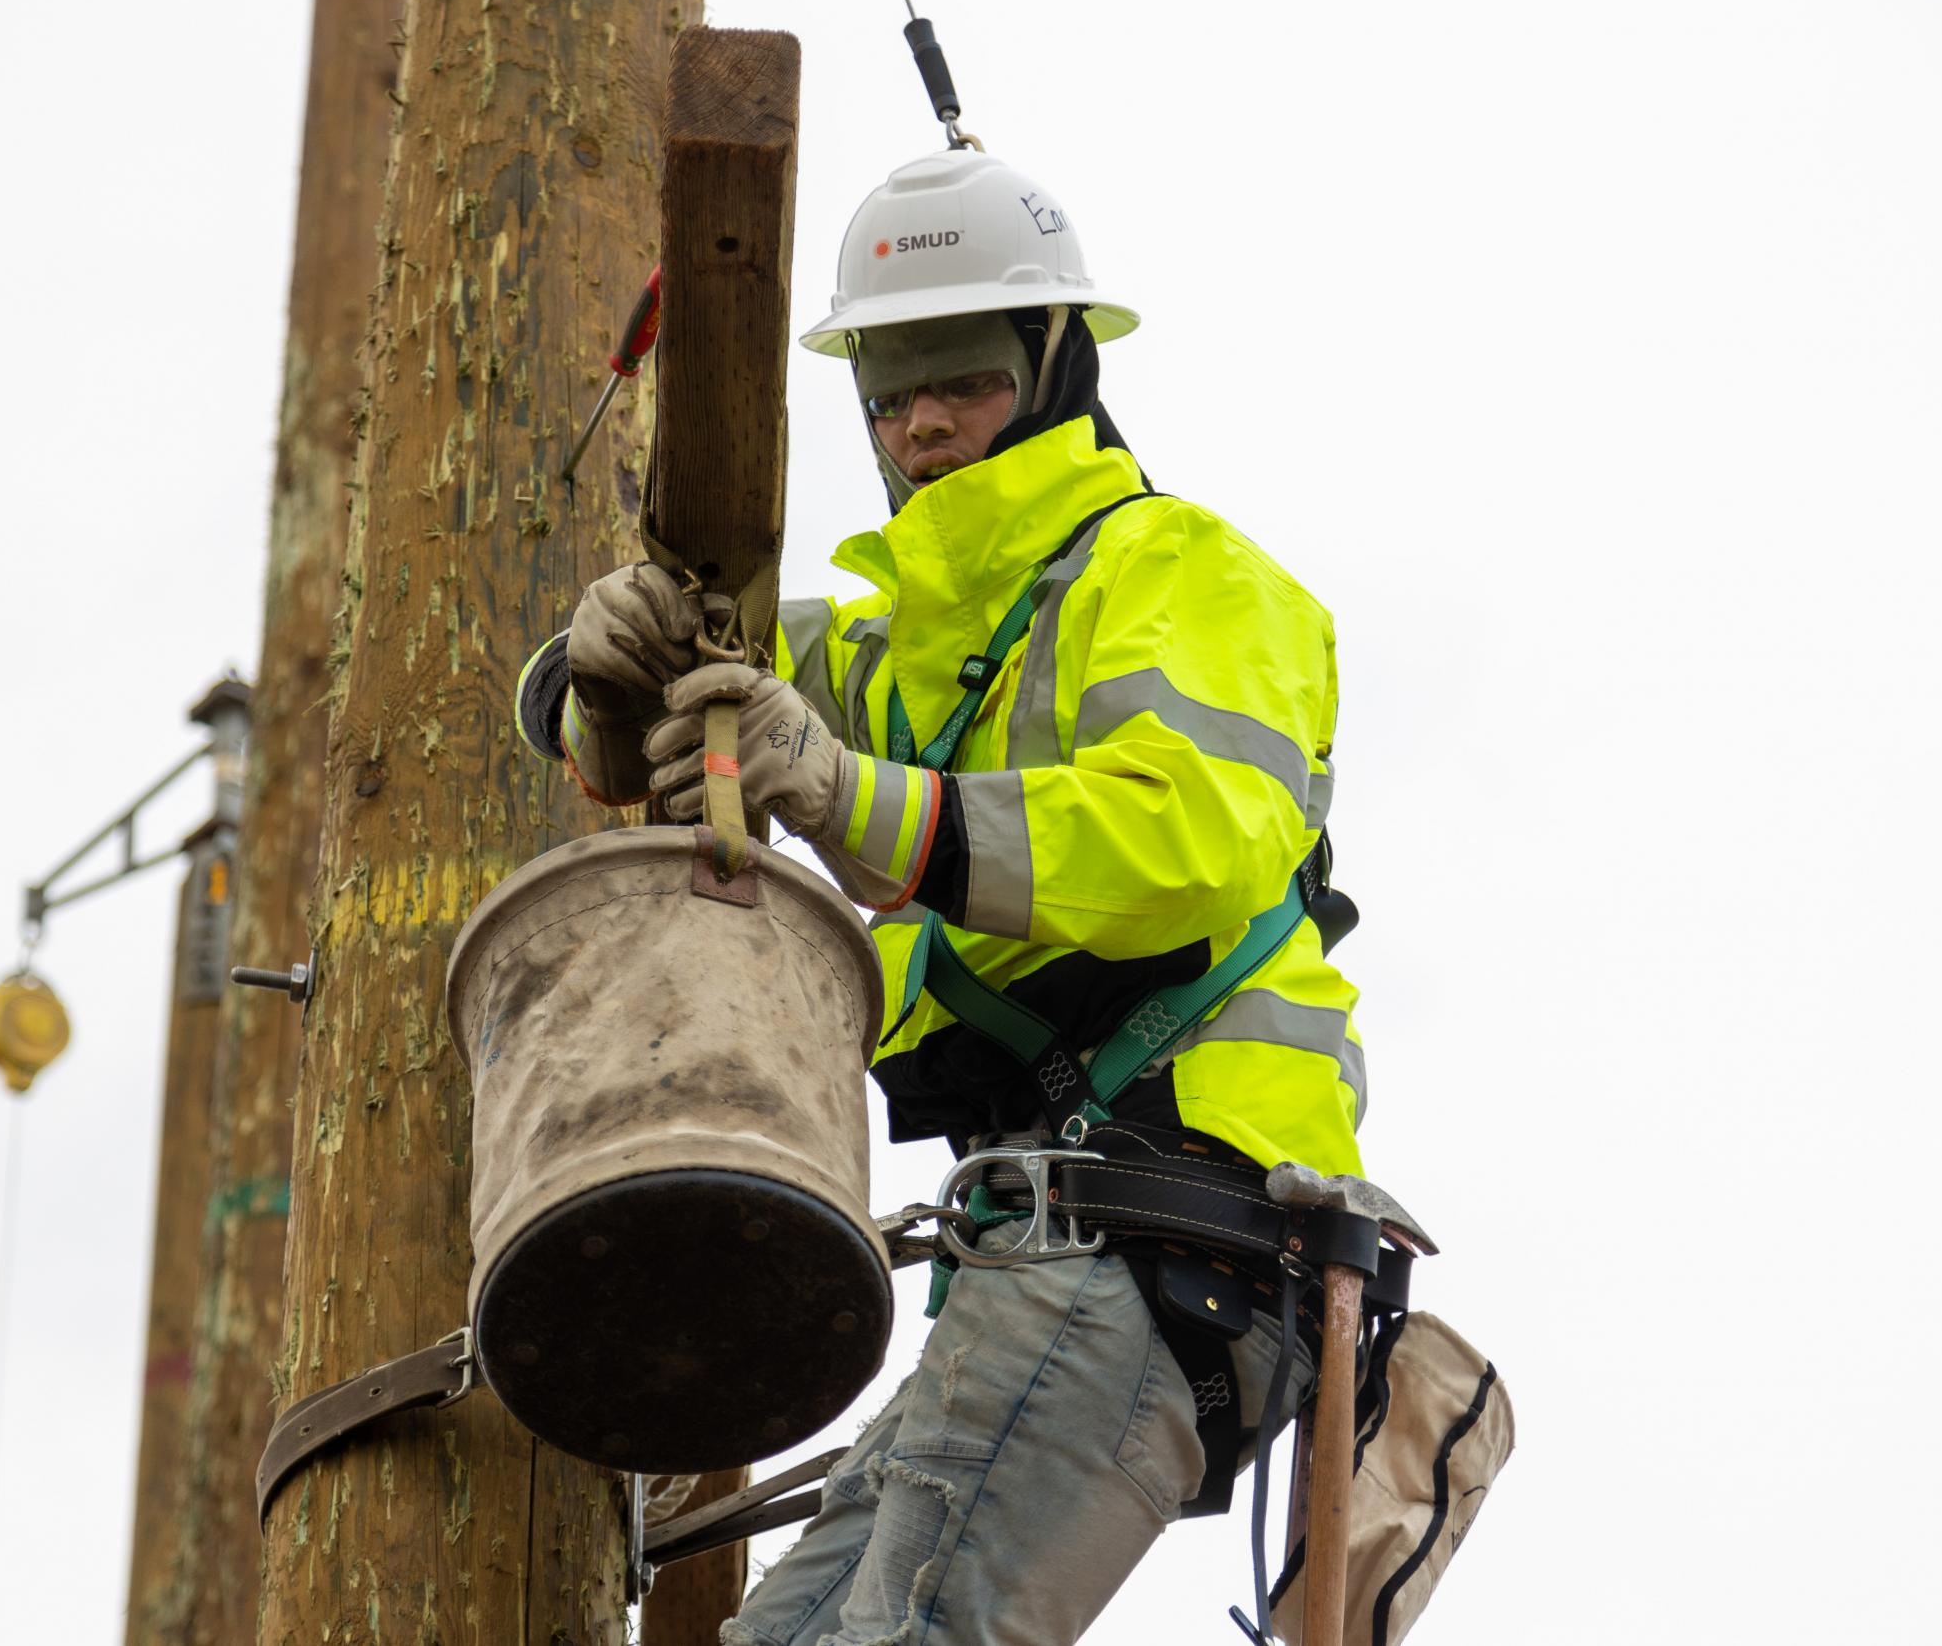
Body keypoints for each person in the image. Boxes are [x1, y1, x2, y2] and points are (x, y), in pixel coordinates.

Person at [516, 148, 1367, 1645]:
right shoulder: (897, 642)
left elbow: (1184, 845)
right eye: (889, 391)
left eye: (959, 379)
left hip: (1168, 1222)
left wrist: (847, 797)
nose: (918, 425)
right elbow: (668, 705)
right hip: (1030, 1260)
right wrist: (601, 677)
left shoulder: (1179, 572)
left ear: (1053, 364)